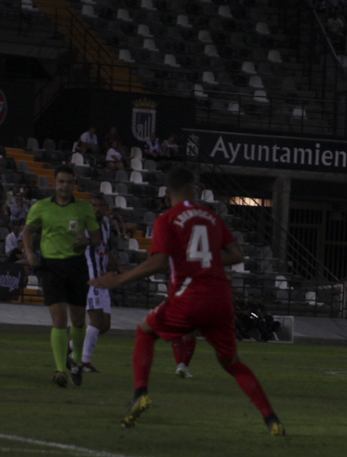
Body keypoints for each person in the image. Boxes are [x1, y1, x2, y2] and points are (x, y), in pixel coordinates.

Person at [89, 167, 285, 435]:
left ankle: (140, 394)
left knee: (145, 331)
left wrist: (119, 279)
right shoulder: (212, 217)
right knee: (232, 363)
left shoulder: (167, 219)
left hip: (190, 295)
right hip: (221, 299)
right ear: (194, 190)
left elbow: (157, 263)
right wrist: (207, 260)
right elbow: (237, 254)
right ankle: (271, 420)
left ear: (168, 193)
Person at [22, 165, 101, 388]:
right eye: (61, 182)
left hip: (76, 266)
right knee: (59, 319)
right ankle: (59, 370)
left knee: (77, 320)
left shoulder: (84, 208)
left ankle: (75, 362)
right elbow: (28, 230)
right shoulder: (41, 207)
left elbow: (96, 237)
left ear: (74, 184)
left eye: (68, 182)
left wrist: (86, 241)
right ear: (55, 183)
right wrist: (29, 252)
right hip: (50, 267)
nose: (64, 186)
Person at [79, 196, 121, 373]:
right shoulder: (84, 224)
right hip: (91, 279)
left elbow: (108, 251)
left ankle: (72, 346)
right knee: (96, 321)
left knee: (104, 326)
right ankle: (84, 362)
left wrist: (115, 269)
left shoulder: (106, 226)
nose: (96, 209)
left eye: (99, 206)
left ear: (105, 208)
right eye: (93, 205)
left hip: (103, 280)